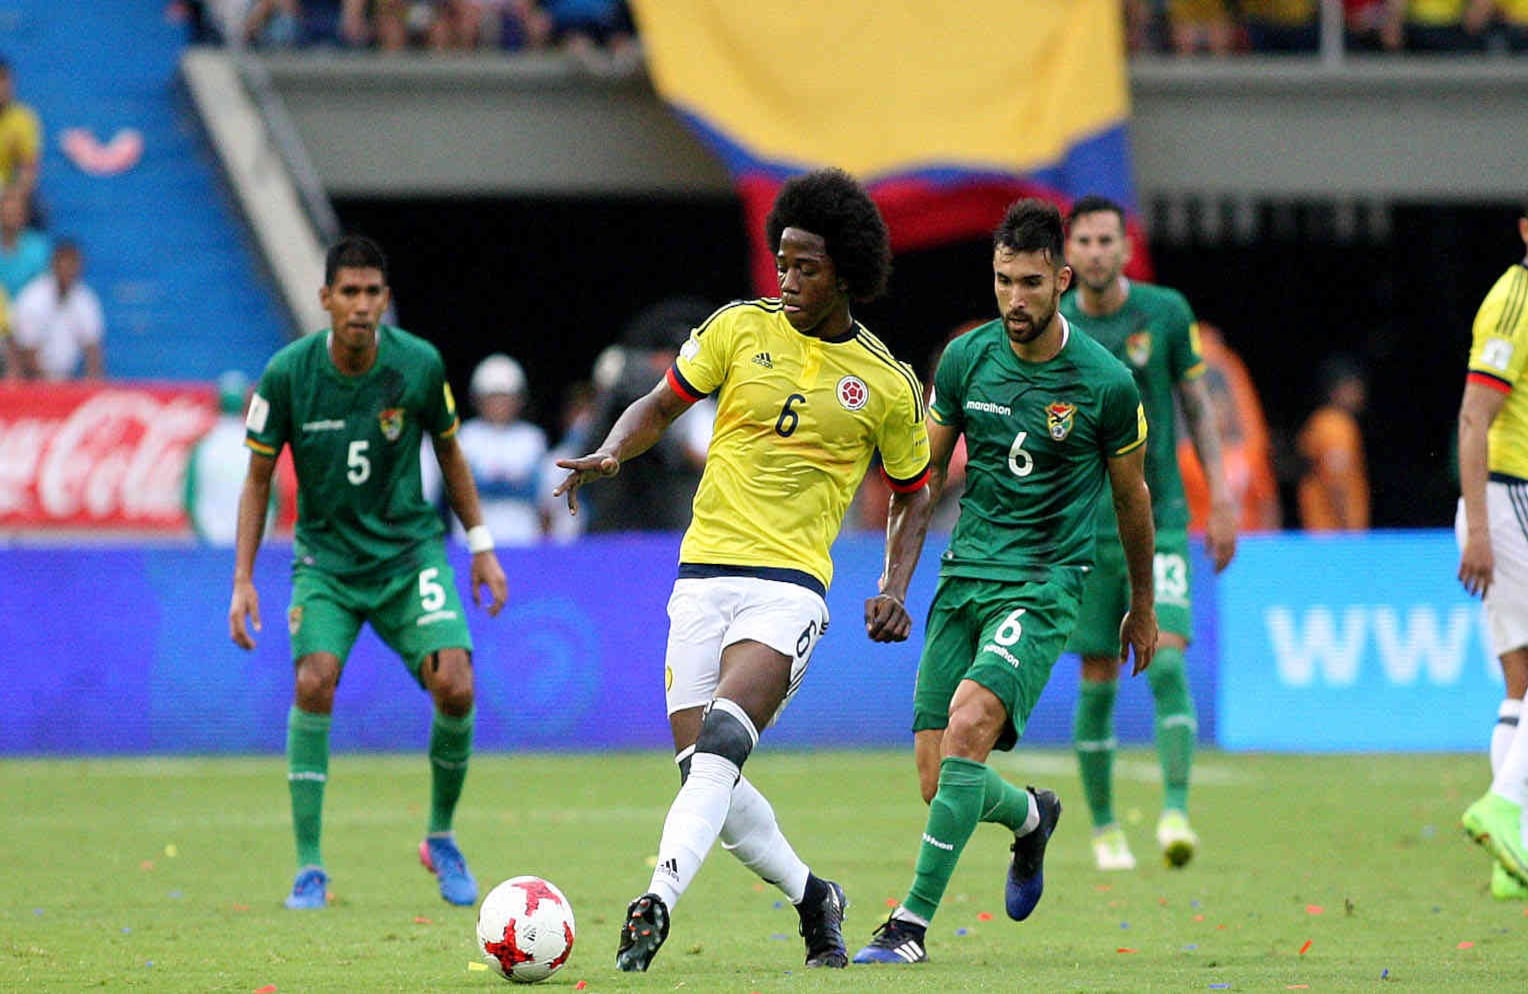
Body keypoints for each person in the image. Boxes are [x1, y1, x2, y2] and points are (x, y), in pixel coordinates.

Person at [553, 168, 932, 973]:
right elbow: (659, 405)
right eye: (784, 263)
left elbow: (912, 493)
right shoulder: (737, 329)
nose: (789, 281)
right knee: (705, 777)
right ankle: (813, 897)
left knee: (726, 741)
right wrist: (615, 449)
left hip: (789, 587)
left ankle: (655, 897)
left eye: (808, 268)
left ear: (848, 272)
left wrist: (894, 585)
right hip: (701, 576)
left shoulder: (888, 385)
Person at [853, 198, 1157, 965]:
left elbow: (1132, 497)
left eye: (1028, 283)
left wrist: (1141, 606)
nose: (1013, 300)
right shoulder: (964, 360)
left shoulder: (1104, 382)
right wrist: (895, 583)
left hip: (1046, 581)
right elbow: (916, 481)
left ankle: (909, 927)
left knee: (967, 729)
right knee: (938, 780)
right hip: (965, 578)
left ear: (1060, 279)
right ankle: (1029, 816)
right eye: (1001, 282)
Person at [227, 235, 509, 910]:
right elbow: (259, 477)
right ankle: (308, 868)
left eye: (371, 293)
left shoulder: (417, 365)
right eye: (347, 293)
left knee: (458, 683)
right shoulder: (288, 375)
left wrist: (481, 544)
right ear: (325, 299)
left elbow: (451, 455)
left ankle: (440, 836)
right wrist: (242, 578)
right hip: (326, 563)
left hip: (410, 556)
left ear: (385, 298)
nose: (359, 306)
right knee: (313, 679)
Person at [1058, 194, 1237, 872]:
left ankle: (1175, 811)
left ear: (1125, 248)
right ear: (1069, 255)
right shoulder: (1054, 325)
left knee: (1165, 658)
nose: (1098, 252)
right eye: (1086, 242)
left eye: (1108, 240)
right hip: (1085, 531)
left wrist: (1220, 497)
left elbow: (1196, 407)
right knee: (1099, 673)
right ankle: (1105, 829)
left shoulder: (1165, 313)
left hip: (1159, 519)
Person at [1457, 206, 1528, 901]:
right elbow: (1475, 417)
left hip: (1511, 503)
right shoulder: (1513, 302)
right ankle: (1505, 805)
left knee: (1520, 685)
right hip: (1510, 501)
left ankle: (1511, 859)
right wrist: (1480, 525)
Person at [452, 352, 548, 546]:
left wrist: (492, 482)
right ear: (478, 399)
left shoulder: (532, 438)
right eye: (492, 398)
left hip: (522, 534)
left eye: (505, 397)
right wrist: (512, 482)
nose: (499, 405)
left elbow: (540, 491)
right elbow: (459, 489)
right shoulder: (466, 436)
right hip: (474, 537)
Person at [1296, 354, 1370, 532]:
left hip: (1320, 530)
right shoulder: (1336, 426)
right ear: (1338, 390)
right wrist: (1347, 528)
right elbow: (1337, 480)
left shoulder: (1319, 422)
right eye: (1354, 387)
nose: (1361, 393)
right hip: (1334, 533)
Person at [11, 240, 103, 381]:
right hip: (33, 379)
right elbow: (26, 351)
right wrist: (50, 385)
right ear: (53, 264)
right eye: (64, 265)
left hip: (67, 378)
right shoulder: (33, 298)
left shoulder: (85, 299)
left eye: (73, 265)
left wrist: (92, 380)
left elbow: (93, 349)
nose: (68, 270)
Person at [0, 188, 49, 300]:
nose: (11, 217)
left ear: (25, 215)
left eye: (16, 212)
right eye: (7, 212)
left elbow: (43, 289)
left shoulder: (39, 248)